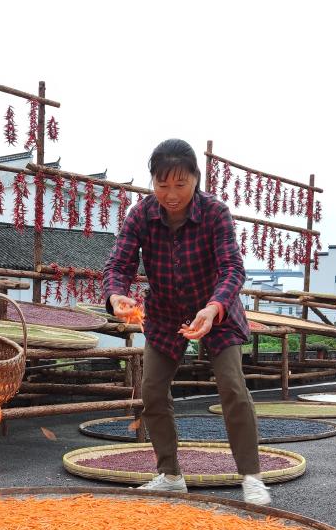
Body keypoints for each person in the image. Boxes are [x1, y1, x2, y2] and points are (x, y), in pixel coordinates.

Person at [103, 139, 270, 505]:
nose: (171, 194)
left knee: (232, 386)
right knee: (152, 391)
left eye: (180, 185)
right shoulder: (141, 214)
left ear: (196, 178)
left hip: (216, 309)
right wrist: (116, 295)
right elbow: (118, 265)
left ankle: (251, 476)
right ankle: (169, 474)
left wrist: (213, 308)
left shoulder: (214, 212)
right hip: (165, 313)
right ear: (153, 183)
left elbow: (232, 268)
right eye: (162, 186)